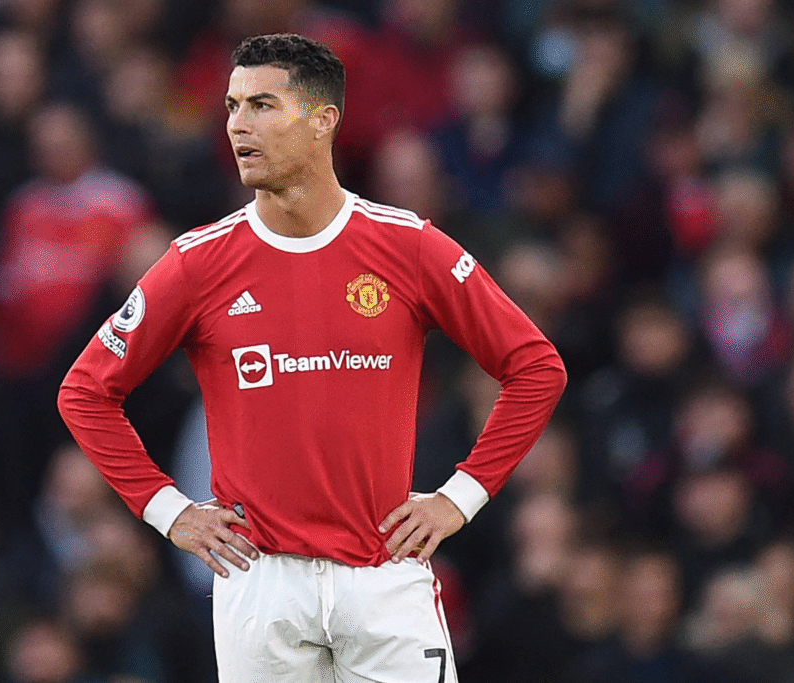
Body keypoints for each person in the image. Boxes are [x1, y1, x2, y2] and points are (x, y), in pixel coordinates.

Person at [58, 33, 567, 682]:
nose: (238, 124)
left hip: (386, 574)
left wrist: (458, 497)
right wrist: (169, 511)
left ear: (324, 119)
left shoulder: (408, 246)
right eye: (232, 106)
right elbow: (85, 392)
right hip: (259, 582)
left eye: (262, 105)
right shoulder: (196, 263)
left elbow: (535, 367)